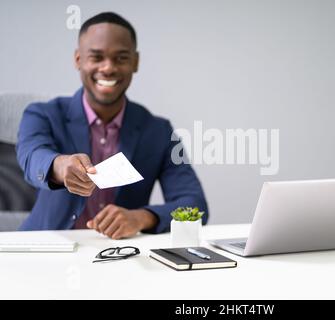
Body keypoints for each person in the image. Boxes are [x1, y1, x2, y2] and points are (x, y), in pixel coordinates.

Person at [16, 12, 208, 239]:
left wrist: (141, 217)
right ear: (78, 59)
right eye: (96, 57)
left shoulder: (159, 131)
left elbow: (195, 205)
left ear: (135, 62)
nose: (108, 68)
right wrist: (60, 166)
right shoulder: (42, 114)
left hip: (120, 256)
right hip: (47, 249)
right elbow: (31, 156)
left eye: (121, 58)